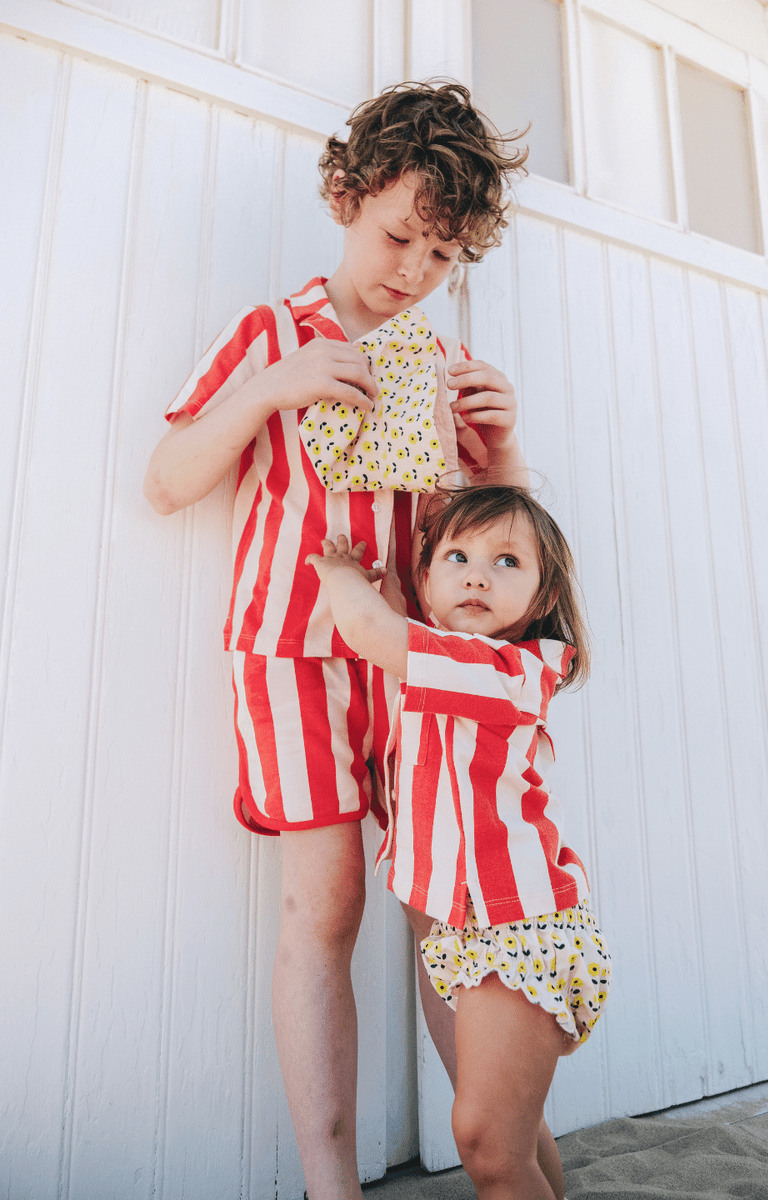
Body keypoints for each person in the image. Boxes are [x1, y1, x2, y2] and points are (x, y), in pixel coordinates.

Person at [144, 82, 527, 1199]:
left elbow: (480, 559)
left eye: (440, 254)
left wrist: (497, 461)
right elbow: (168, 480)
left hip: (414, 668)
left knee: (445, 901)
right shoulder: (270, 333)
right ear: (342, 198)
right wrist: (272, 389)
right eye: (397, 234)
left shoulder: (437, 365)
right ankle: (331, 1183)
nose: (410, 270)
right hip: (293, 654)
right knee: (330, 905)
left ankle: (495, 1150)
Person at [307, 484, 611, 1200]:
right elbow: (405, 645)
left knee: (483, 1139)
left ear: (542, 598)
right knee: (514, 1134)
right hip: (474, 936)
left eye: (507, 561)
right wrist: (393, 594)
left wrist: (339, 575)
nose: (478, 574)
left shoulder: (512, 669)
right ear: (427, 582)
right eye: (458, 557)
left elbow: (374, 636)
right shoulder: (445, 659)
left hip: (520, 929)